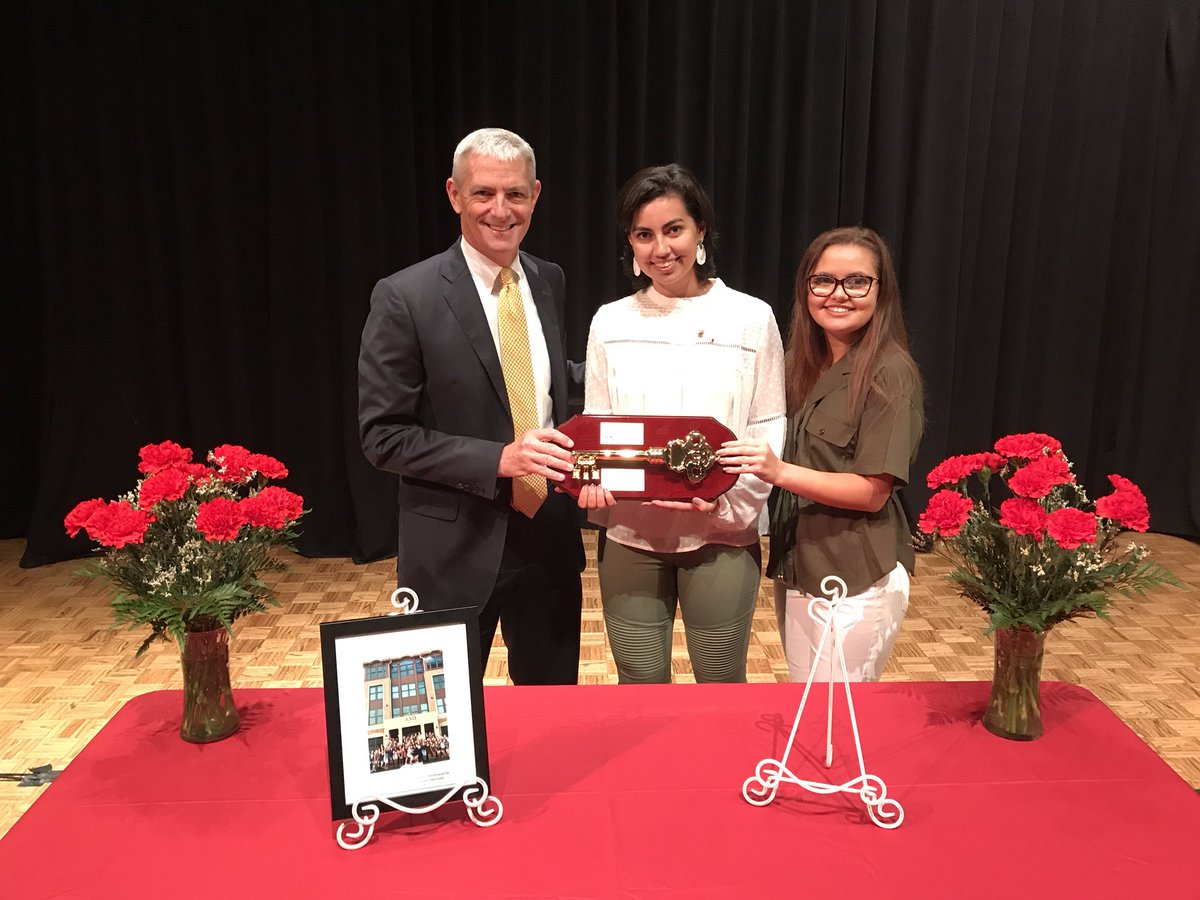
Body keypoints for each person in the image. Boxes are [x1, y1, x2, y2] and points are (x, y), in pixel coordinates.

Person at [358, 127, 584, 685]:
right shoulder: (404, 296)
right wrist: (498, 460)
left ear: (535, 193)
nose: (501, 210)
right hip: (451, 552)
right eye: (483, 193)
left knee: (550, 716)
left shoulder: (549, 279)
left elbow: (559, 395)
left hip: (549, 536)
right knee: (444, 732)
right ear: (454, 195)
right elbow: (383, 436)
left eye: (515, 194)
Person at [579, 164, 786, 684]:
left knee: (719, 682)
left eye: (674, 229)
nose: (660, 248)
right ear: (630, 243)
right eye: (644, 235)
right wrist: (593, 485)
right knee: (639, 681)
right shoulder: (611, 321)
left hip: (720, 532)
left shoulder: (750, 317)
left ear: (701, 233)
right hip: (630, 533)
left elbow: (767, 425)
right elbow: (600, 427)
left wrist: (727, 502)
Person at [718, 225, 924, 682]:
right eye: (823, 280)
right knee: (806, 698)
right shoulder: (799, 365)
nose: (838, 294)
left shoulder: (890, 373)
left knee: (841, 711)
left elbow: (872, 492)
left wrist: (777, 471)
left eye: (856, 281)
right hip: (798, 564)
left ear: (881, 290)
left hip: (855, 573)